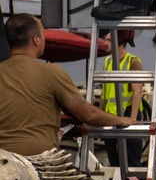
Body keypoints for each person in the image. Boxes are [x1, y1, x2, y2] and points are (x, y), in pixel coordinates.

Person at [0, 14, 132, 155]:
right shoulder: (51, 72)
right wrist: (121, 119)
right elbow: (88, 115)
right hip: (39, 163)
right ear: (36, 39)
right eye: (43, 33)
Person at [102, 29, 146, 169]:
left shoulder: (132, 63)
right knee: (114, 163)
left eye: (109, 40)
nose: (105, 43)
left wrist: (132, 120)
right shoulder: (108, 62)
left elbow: (137, 92)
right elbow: (104, 93)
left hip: (127, 116)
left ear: (118, 42)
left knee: (131, 163)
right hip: (110, 118)